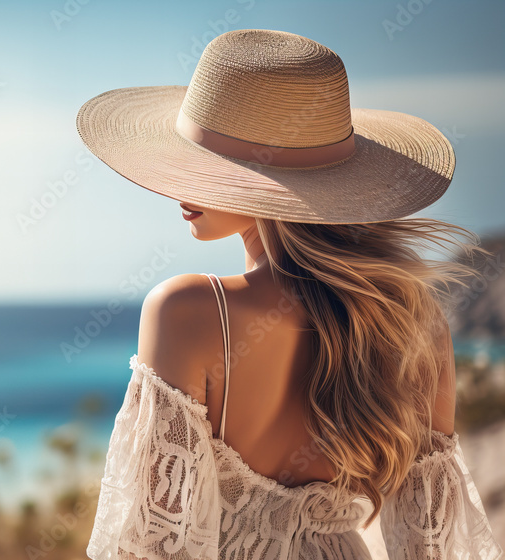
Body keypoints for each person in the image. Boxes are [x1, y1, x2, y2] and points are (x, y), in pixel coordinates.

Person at [75, 29, 504, 559]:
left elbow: (153, 546)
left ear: (260, 184)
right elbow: (429, 544)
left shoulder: (188, 310)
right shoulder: (412, 323)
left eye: (207, 167)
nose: (179, 186)